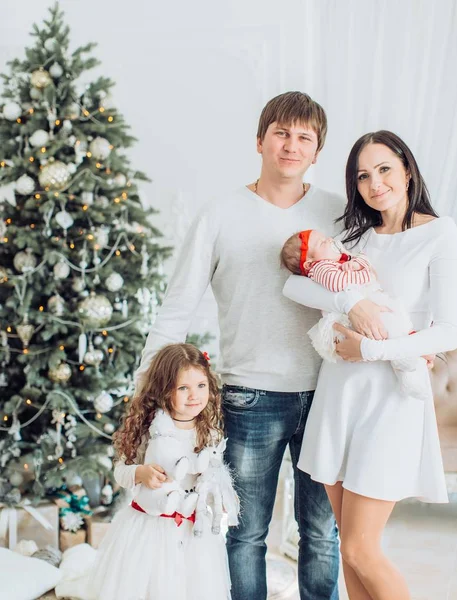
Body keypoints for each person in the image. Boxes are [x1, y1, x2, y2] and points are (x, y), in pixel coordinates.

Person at [135, 91, 345, 600]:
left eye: (304, 138)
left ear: (317, 152)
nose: (291, 146)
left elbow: (370, 287)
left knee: (322, 533)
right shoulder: (221, 213)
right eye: (281, 133)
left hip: (331, 394)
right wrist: (145, 386)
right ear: (259, 140)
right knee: (244, 533)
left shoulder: (337, 213)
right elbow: (177, 306)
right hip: (250, 396)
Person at [283, 130, 457, 600]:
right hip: (340, 396)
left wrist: (372, 350)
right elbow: (294, 287)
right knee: (349, 552)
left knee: (361, 549)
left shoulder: (440, 233)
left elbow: (449, 330)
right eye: (362, 175)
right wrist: (352, 301)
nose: (374, 183)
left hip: (390, 401)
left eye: (383, 169)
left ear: (406, 168)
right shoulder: (353, 237)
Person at [58, 343, 233, 600]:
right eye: (183, 388)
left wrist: (218, 497)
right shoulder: (151, 428)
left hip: (191, 530)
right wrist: (140, 473)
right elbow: (120, 471)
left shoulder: (210, 431)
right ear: (165, 390)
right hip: (148, 526)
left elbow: (212, 477)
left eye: (201, 386)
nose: (194, 395)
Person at [280, 228, 428, 401]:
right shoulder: (320, 268)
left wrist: (357, 264)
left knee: (396, 319)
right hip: (350, 319)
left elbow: (365, 262)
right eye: (321, 242)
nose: (329, 240)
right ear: (309, 263)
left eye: (325, 237)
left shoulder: (339, 257)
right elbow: (339, 283)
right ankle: (404, 363)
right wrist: (362, 274)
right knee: (388, 326)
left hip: (371, 305)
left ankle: (408, 362)